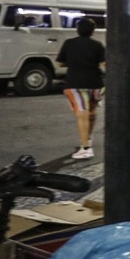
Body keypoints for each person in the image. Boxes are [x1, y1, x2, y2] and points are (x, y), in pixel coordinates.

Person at [56, 18, 105, 160]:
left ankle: (86, 148)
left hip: (75, 83)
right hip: (95, 83)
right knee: (92, 112)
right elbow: (103, 64)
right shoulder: (97, 45)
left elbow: (60, 63)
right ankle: (87, 139)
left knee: (81, 115)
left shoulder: (69, 43)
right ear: (93, 31)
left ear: (77, 29)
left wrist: (73, 63)